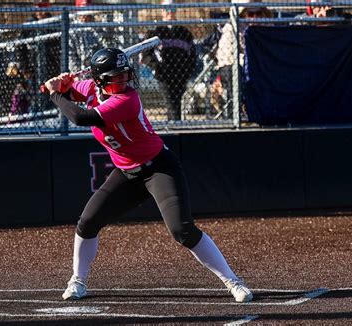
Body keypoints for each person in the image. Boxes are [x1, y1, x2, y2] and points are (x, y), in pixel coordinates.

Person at [44, 47, 253, 303]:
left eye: (124, 76)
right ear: (99, 81)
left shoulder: (127, 100)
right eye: (115, 78)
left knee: (182, 230)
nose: (123, 82)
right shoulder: (89, 88)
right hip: (126, 172)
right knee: (87, 222)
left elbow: (80, 116)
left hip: (158, 168)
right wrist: (62, 85)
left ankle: (233, 281)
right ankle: (78, 279)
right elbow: (71, 93)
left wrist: (56, 93)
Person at [211, 0, 273, 118]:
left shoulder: (267, 27)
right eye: (250, 14)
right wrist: (251, 61)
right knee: (234, 73)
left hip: (261, 66)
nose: (255, 18)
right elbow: (229, 56)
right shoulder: (232, 28)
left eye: (258, 14)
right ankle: (234, 115)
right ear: (243, 14)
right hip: (234, 65)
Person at [140, 0, 197, 121]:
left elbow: (193, 55)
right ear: (162, 12)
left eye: (173, 10)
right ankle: (176, 124)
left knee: (177, 102)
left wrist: (187, 71)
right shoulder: (156, 32)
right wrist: (157, 67)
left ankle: (174, 125)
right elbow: (145, 55)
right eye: (167, 10)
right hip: (164, 75)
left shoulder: (184, 32)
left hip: (181, 74)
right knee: (171, 101)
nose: (170, 13)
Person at [68, 0, 102, 72]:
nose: (87, 15)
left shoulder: (97, 27)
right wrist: (76, 72)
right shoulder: (73, 29)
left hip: (97, 67)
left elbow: (102, 47)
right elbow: (71, 55)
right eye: (84, 11)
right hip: (81, 69)